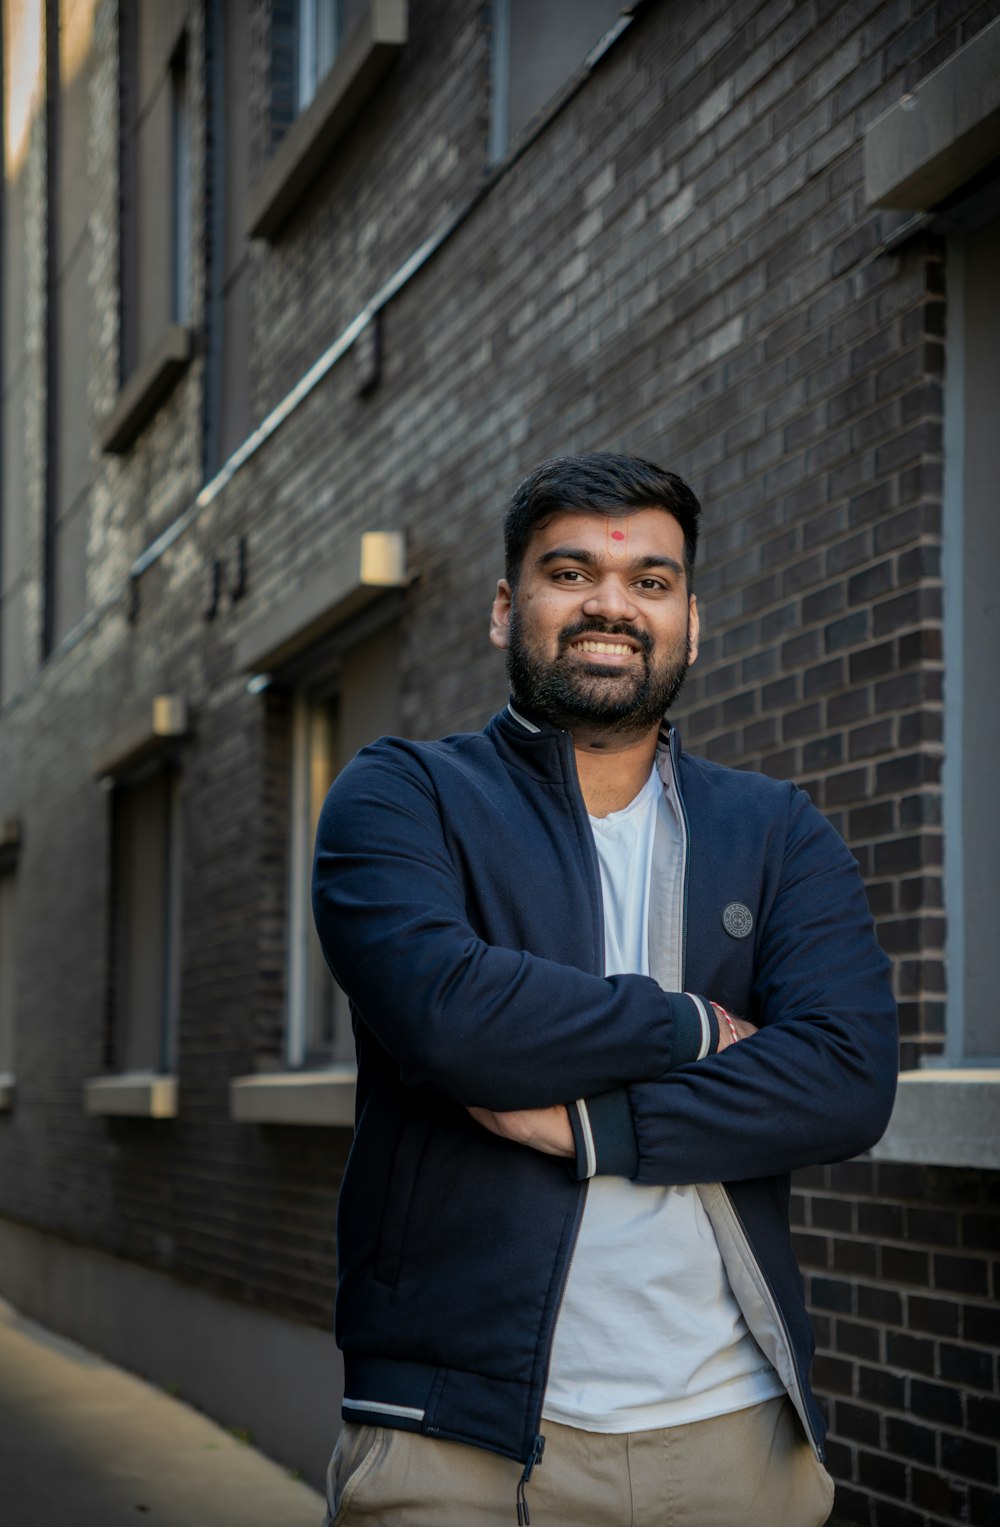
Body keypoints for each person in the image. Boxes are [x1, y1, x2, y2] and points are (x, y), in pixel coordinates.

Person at [312, 452, 898, 1527]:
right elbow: (450, 1018)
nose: (610, 606)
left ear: (689, 619)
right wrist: (690, 1026)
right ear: (505, 607)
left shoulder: (776, 833)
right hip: (454, 1443)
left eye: (650, 581)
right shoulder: (403, 796)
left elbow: (846, 1080)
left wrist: (593, 1129)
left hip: (733, 1436)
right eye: (569, 572)